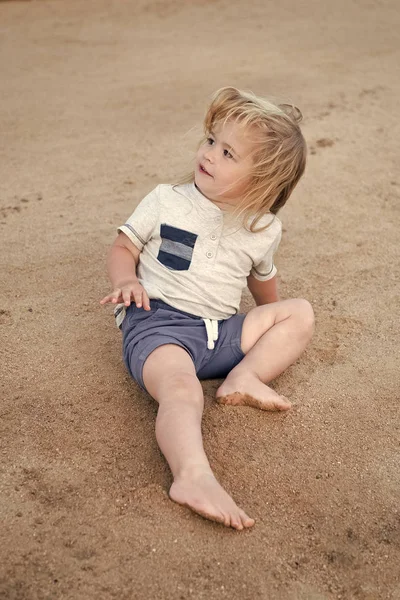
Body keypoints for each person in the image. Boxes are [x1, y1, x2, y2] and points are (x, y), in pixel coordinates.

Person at [100, 86, 314, 530]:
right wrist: (127, 280)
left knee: (300, 312)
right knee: (182, 391)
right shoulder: (167, 200)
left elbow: (263, 283)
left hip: (218, 334)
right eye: (212, 140)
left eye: (229, 153)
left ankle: (244, 376)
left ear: (262, 183)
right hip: (159, 327)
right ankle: (192, 476)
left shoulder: (263, 228)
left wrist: (268, 328)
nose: (210, 153)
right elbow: (124, 246)